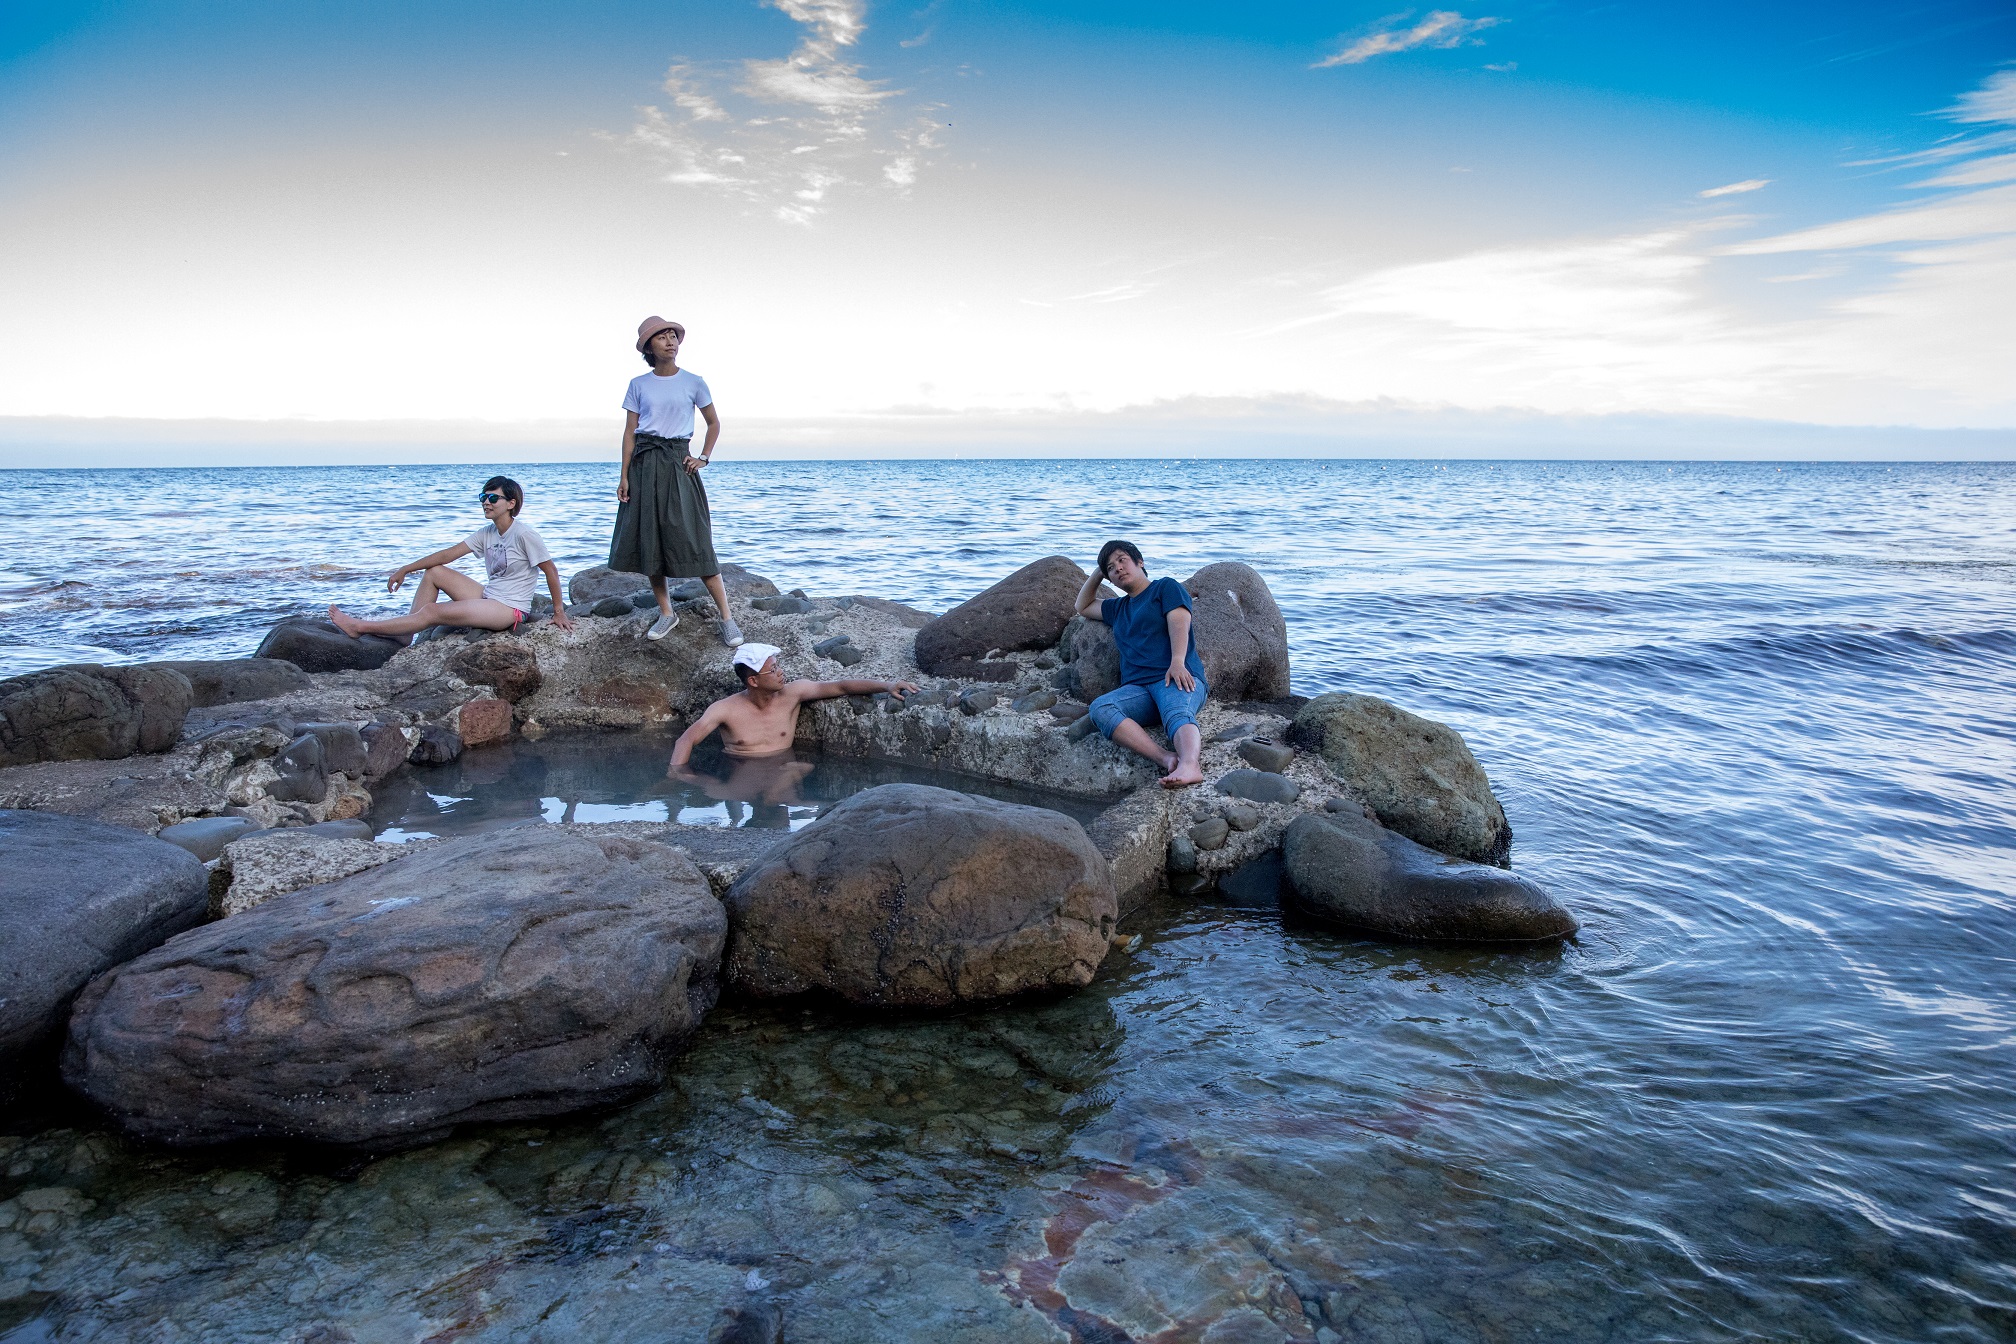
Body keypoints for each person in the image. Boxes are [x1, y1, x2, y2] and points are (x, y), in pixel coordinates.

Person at [611, 315, 744, 647]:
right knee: (650, 539)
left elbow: (713, 423)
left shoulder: (694, 381)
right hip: (644, 463)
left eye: (673, 336)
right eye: (662, 337)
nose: (670, 341)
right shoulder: (638, 384)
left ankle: (727, 618)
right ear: (649, 348)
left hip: (678, 462)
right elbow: (630, 433)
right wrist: (624, 475)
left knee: (695, 538)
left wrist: (703, 457)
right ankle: (667, 611)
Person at [329, 476, 573, 639]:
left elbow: (550, 570)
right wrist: (405, 568)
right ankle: (404, 634)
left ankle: (360, 628)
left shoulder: (524, 534)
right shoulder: (487, 533)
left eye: (492, 498)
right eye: (483, 497)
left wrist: (559, 611)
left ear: (511, 503)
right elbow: (447, 555)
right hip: (489, 596)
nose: (486, 503)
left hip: (509, 609)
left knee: (433, 612)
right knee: (435, 572)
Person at [1073, 540, 1207, 788]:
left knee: (1178, 713)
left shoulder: (1165, 588)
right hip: (1138, 690)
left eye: (1122, 560)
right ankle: (1165, 758)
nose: (1118, 569)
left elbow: (1180, 620)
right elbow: (1082, 606)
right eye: (1112, 568)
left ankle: (1190, 764)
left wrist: (1177, 662)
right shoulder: (1118, 608)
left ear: (1140, 562)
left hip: (1174, 677)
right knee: (1101, 708)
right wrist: (1098, 572)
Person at [668, 643, 918, 773]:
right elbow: (685, 740)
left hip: (785, 770)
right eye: (772, 670)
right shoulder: (725, 709)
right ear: (753, 681)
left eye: (778, 665)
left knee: (799, 770)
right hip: (743, 774)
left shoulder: (793, 693)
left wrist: (887, 685)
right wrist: (680, 776)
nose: (780, 672)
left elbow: (841, 686)